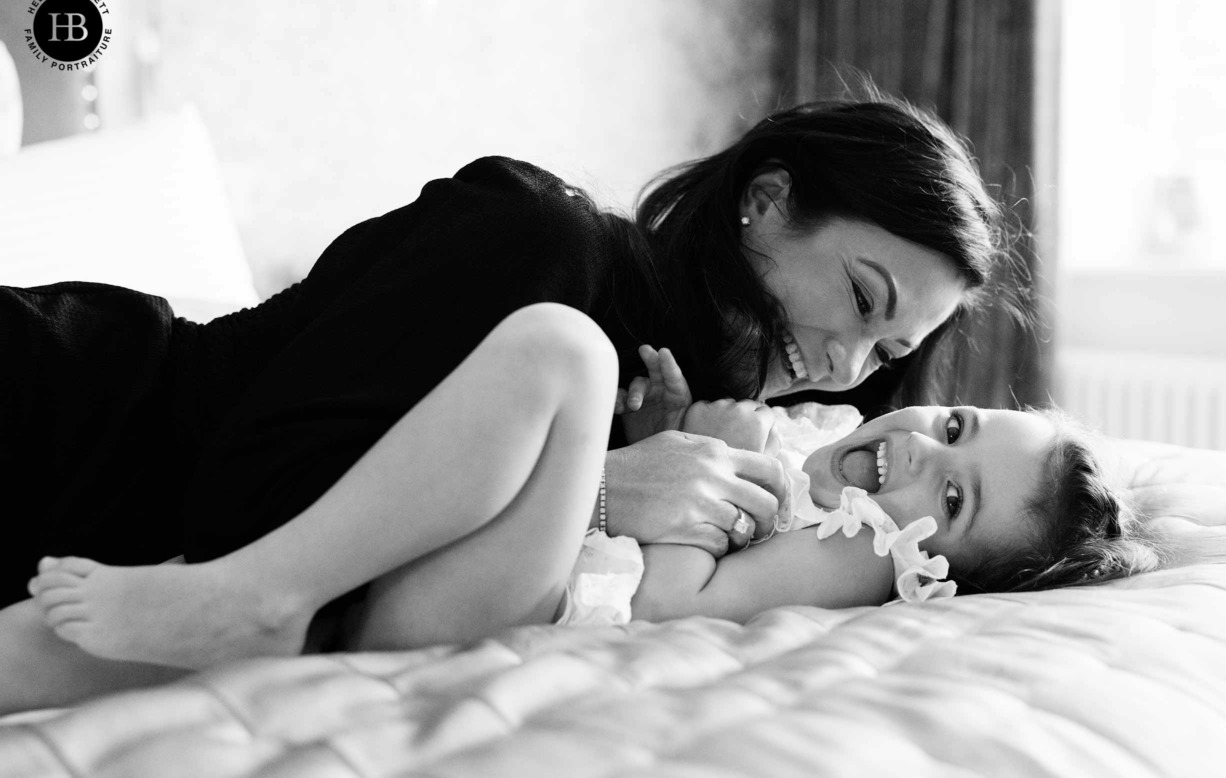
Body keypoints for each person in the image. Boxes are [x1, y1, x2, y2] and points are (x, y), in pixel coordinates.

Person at [1, 93, 1013, 610]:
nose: (842, 362)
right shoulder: (540, 241)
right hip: (67, 417)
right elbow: (250, 504)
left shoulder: (688, 424)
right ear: (763, 201)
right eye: (858, 296)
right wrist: (598, 489)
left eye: (886, 349)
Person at [12, 305, 1155, 715]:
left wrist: (694, 475)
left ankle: (265, 592)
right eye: (949, 427)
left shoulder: (854, 552)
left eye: (947, 499)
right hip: (466, 579)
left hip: (526, 604)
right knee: (37, 646)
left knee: (561, 346)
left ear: (930, 568)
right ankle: (253, 604)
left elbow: (667, 594)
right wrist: (683, 448)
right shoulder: (818, 451)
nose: (913, 454)